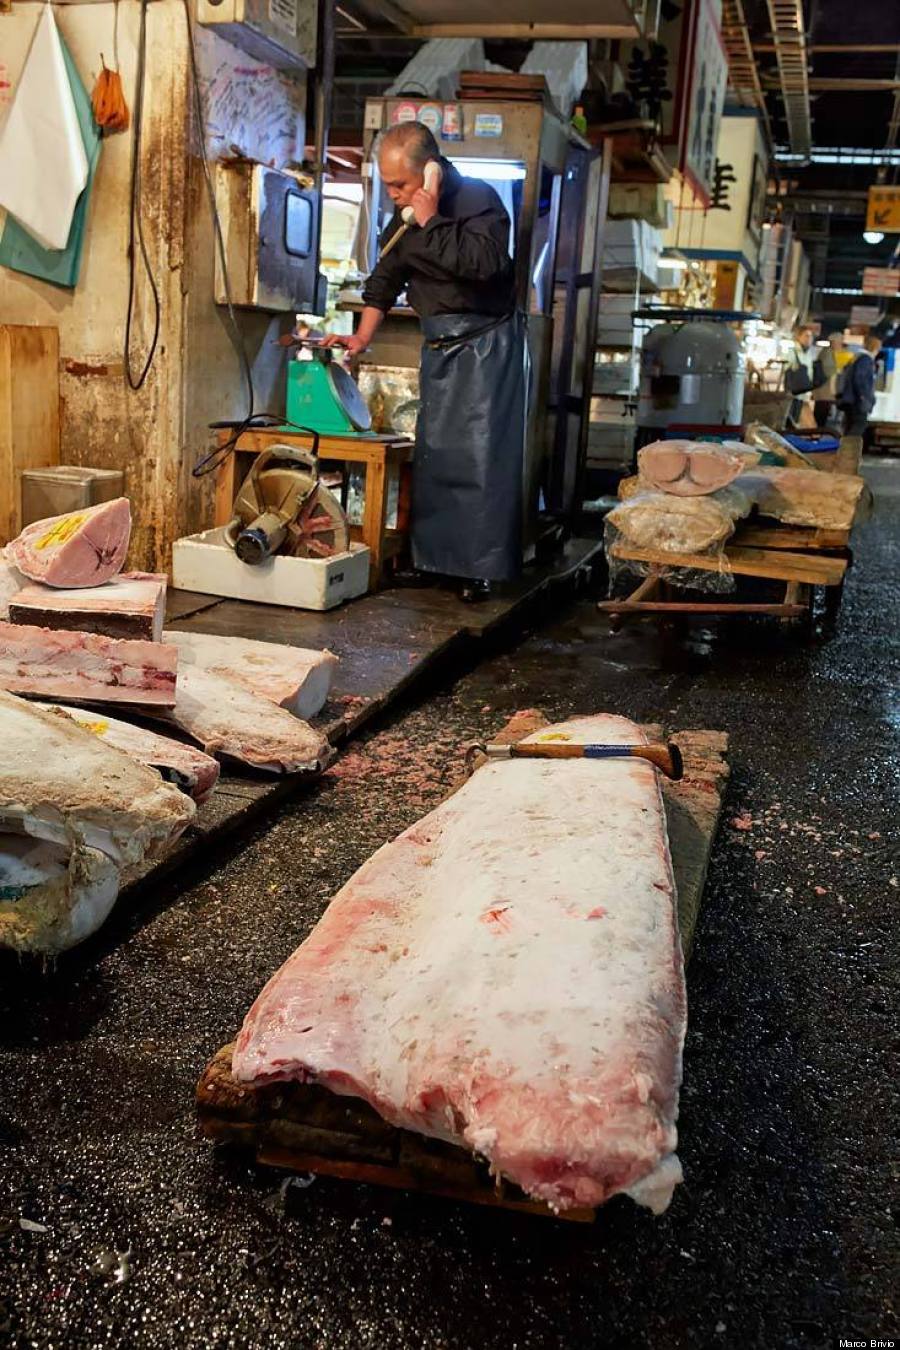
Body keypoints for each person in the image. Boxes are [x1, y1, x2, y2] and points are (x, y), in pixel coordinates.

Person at [322, 122, 527, 603]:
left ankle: (479, 569)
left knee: (480, 461)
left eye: (400, 185)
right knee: (436, 458)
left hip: (486, 347)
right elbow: (385, 278)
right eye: (388, 185)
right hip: (439, 347)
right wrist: (361, 338)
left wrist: (433, 219)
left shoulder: (479, 201)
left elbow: (485, 263)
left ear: (431, 171)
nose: (393, 195)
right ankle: (435, 562)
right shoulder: (403, 220)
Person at [838, 333, 882, 436]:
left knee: (850, 425)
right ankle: (849, 449)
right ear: (874, 347)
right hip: (857, 400)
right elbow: (860, 380)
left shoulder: (856, 358)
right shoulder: (866, 360)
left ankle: (845, 449)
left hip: (850, 398)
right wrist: (864, 396)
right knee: (859, 425)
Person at [784, 323, 818, 428]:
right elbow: (786, 370)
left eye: (811, 336)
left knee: (796, 419)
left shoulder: (808, 353)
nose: (809, 339)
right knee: (789, 419)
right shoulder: (792, 352)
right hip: (793, 393)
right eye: (806, 336)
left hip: (803, 393)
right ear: (798, 336)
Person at [812, 332, 841, 430]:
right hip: (824, 391)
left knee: (822, 415)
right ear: (833, 342)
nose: (840, 344)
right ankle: (816, 434)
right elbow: (829, 371)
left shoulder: (828, 352)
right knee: (820, 415)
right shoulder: (827, 353)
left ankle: (818, 433)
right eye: (839, 342)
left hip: (824, 391)